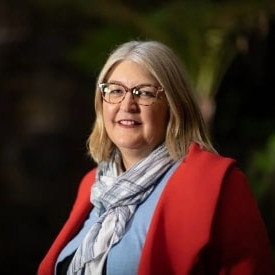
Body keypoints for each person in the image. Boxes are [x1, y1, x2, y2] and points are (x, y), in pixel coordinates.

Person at [37, 40, 275, 275]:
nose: (127, 104)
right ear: (101, 103)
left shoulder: (216, 182)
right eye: (116, 90)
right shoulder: (93, 184)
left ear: (173, 106)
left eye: (145, 93)